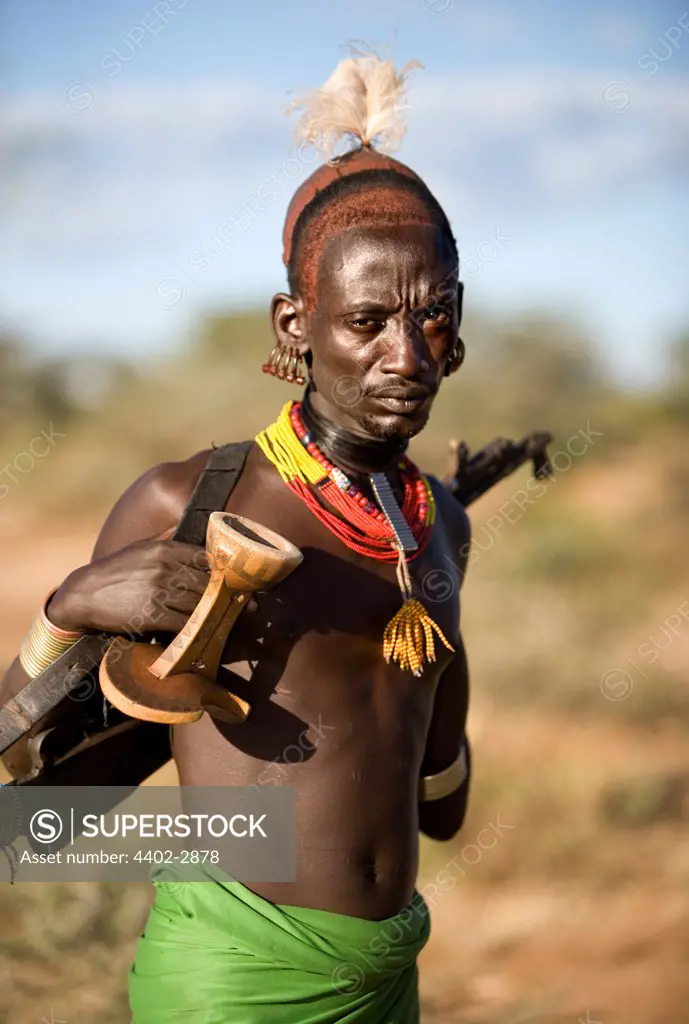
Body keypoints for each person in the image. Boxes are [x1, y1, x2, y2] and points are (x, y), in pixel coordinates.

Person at [2, 51, 472, 1023]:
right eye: (367, 320)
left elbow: (442, 804)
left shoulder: (436, 520)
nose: (404, 354)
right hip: (231, 977)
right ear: (293, 326)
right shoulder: (192, 498)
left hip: (390, 969)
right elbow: (31, 792)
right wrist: (66, 610)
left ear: (459, 332)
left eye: (430, 318)